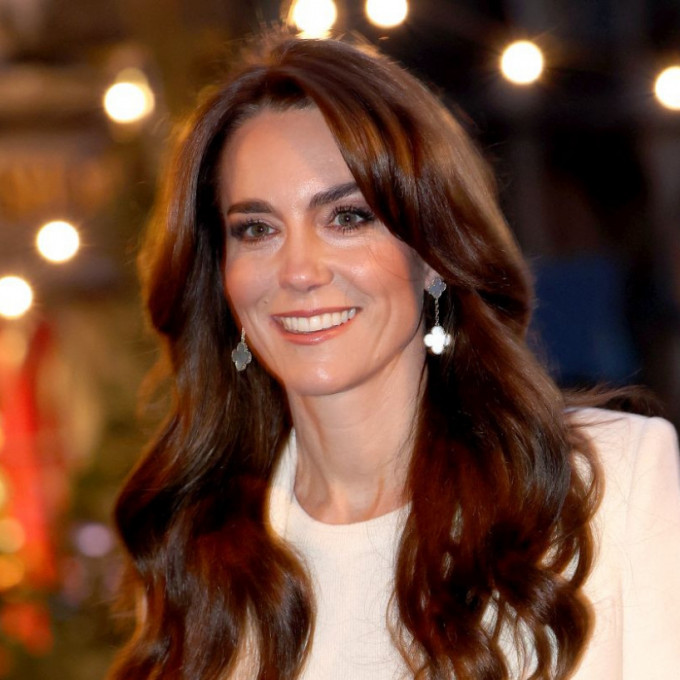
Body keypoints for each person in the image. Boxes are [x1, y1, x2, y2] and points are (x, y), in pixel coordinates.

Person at [108, 34, 680, 680]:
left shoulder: (611, 487)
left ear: (431, 254)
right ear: (221, 277)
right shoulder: (196, 566)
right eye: (257, 229)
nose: (298, 271)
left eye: (347, 217)